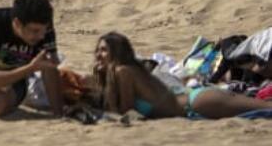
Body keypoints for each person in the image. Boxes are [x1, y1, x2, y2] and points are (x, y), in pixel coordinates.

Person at [93, 32, 270, 118]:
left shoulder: (123, 71)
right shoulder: (126, 71)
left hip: (198, 103)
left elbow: (124, 111)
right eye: (97, 50)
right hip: (198, 102)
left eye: (104, 50)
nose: (98, 55)